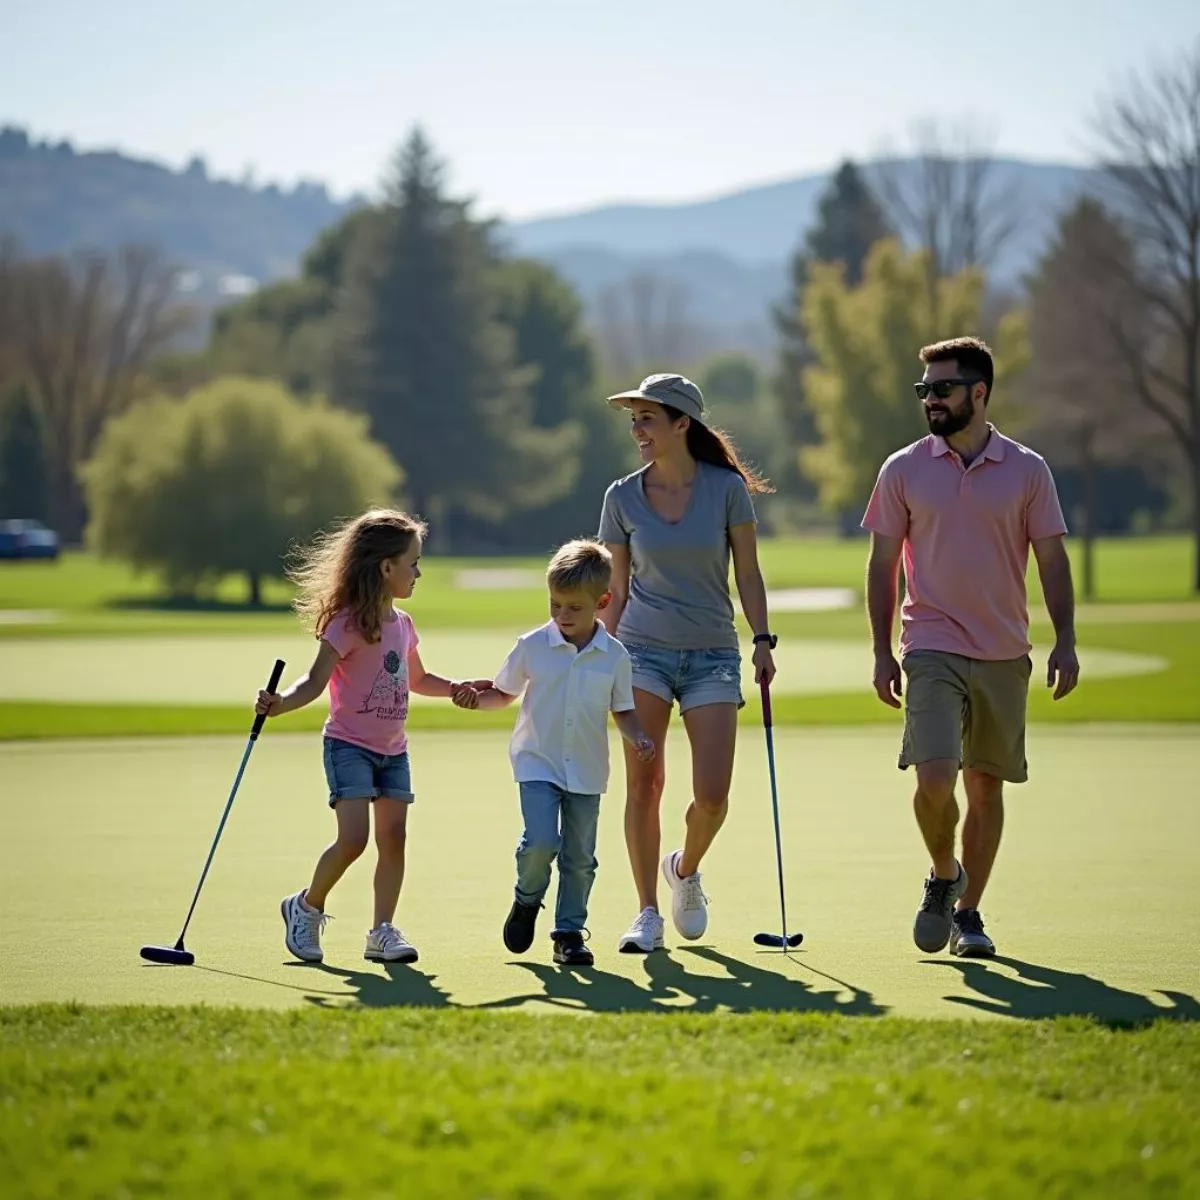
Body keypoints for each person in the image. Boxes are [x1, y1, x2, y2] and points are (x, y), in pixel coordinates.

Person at [862, 337, 1080, 959]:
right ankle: (942, 870)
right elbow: (882, 567)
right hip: (930, 642)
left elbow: (1053, 560)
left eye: (942, 388)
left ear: (978, 394)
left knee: (985, 787)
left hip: (1005, 650)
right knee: (935, 778)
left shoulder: (1027, 469)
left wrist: (1065, 640)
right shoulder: (902, 468)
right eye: (924, 389)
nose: (929, 399)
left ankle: (969, 912)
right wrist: (882, 652)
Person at [598, 373, 777, 953]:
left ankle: (685, 867)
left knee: (713, 796)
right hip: (641, 652)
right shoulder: (620, 496)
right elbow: (617, 590)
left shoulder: (726, 489)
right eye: (634, 419)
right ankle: (647, 910)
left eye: (647, 418)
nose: (637, 430)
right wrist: (598, 655)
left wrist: (763, 639)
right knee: (644, 786)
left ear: (682, 424)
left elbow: (747, 573)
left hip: (712, 655)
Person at [253, 508, 480, 965]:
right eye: (413, 563)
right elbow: (314, 682)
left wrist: (456, 688)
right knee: (354, 839)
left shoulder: (404, 624)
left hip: (394, 750)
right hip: (349, 746)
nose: (418, 572)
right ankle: (306, 907)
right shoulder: (346, 623)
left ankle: (381, 932)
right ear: (386, 567)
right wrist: (280, 705)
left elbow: (417, 678)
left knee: (393, 837)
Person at [460, 539, 656, 966]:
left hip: (587, 769)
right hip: (538, 761)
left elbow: (622, 709)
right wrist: (477, 699)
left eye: (573, 608)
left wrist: (638, 736)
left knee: (580, 857)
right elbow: (502, 693)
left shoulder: (615, 657)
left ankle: (568, 933)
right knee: (541, 843)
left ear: (602, 602)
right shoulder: (532, 645)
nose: (562, 616)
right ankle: (527, 898)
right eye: (555, 605)